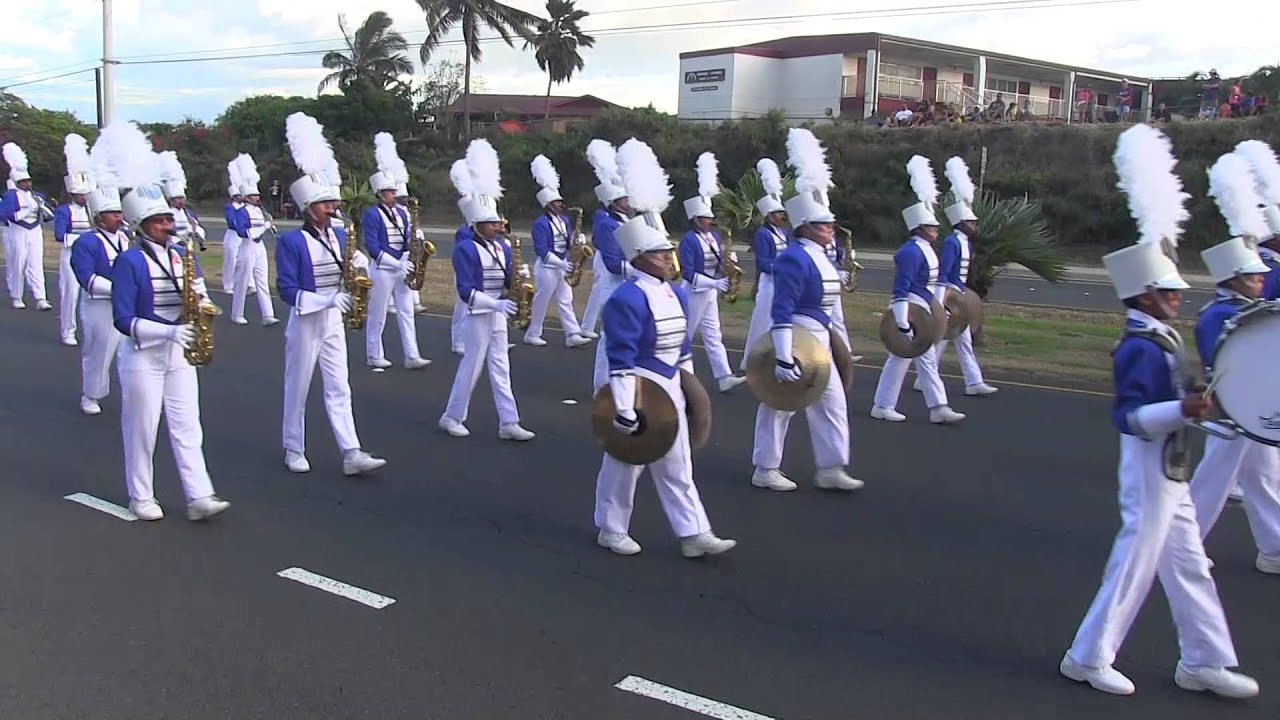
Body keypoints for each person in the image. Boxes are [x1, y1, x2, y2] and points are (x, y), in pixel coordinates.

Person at [1059, 239, 1256, 698]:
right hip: (1149, 469)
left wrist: (1196, 397)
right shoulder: (1138, 347)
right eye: (1168, 291)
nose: (1177, 296)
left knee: (1189, 565)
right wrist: (1184, 409)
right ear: (1144, 296)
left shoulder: (1162, 335)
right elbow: (1129, 418)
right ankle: (1087, 657)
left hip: (1172, 467)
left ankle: (1204, 660)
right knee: (1133, 565)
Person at [594, 216, 736, 558]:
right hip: (640, 387)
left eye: (668, 251)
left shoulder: (675, 292)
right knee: (626, 461)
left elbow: (683, 347)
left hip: (670, 383)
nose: (667, 257)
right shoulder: (626, 298)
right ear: (640, 256)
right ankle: (611, 528)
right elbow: (621, 357)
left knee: (678, 461)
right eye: (660, 252)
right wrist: (625, 408)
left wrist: (688, 389)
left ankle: (693, 532)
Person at [275, 111, 387, 477]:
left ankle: (351, 450)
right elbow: (287, 290)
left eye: (333, 204)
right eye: (326, 204)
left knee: (340, 385)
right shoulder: (292, 241)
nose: (333, 209)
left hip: (334, 319)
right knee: (300, 385)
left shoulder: (341, 235)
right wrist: (326, 300)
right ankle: (294, 446)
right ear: (308, 208)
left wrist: (360, 267)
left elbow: (352, 268)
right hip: (307, 320)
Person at [111, 180, 230, 522]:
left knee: (188, 424)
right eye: (160, 220)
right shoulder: (129, 262)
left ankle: (199, 495)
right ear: (142, 225)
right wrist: (169, 332)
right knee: (142, 427)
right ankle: (140, 495)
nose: (168, 225)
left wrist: (202, 303)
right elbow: (123, 319)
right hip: (142, 354)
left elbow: (198, 294)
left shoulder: (181, 256)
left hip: (178, 351)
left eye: (168, 218)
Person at [749, 191, 862, 493]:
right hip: (798, 337)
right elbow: (782, 309)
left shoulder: (820, 256)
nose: (831, 229)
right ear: (807, 227)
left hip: (820, 338)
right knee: (780, 403)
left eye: (830, 224)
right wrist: (784, 356)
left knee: (832, 402)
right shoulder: (793, 258)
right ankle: (766, 467)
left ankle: (831, 467)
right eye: (824, 225)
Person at [1188, 235, 1280, 573]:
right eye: (1253, 275)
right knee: (1212, 482)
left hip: (1251, 413)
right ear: (1232, 279)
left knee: (1265, 477)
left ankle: (1274, 548)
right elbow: (1228, 364)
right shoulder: (1218, 315)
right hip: (1232, 413)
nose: (1262, 279)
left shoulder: (1246, 310)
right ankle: (1181, 545)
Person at [439, 144, 535, 442]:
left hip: (497, 312)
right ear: (476, 224)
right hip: (479, 313)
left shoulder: (502, 246)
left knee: (501, 367)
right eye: (492, 223)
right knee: (472, 365)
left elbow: (507, 278)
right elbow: (465, 290)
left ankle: (509, 421)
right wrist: (495, 304)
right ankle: (452, 416)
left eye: (497, 222)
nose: (498, 226)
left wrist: (519, 277)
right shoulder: (465, 248)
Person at [871, 156, 965, 424]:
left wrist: (937, 310)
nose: (936, 230)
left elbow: (932, 284)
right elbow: (901, 288)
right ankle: (885, 404)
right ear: (919, 229)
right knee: (900, 360)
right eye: (930, 227)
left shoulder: (926, 249)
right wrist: (902, 321)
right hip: (910, 310)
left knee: (923, 361)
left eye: (935, 226)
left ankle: (937, 407)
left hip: (922, 309)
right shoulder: (910, 252)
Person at [920, 157, 998, 397]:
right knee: (944, 338)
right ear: (960, 223)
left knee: (959, 340)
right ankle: (929, 378)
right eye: (970, 221)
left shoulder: (965, 242)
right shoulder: (954, 242)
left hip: (957, 296)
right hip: (950, 296)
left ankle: (973, 382)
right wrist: (943, 300)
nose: (974, 224)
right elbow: (945, 273)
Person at [678, 168, 747, 393]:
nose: (710, 221)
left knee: (713, 334)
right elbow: (687, 272)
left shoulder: (715, 237)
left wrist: (729, 260)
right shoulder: (688, 240)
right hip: (694, 291)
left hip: (709, 292)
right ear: (695, 220)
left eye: (710, 218)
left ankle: (724, 376)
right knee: (685, 335)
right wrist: (715, 283)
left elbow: (718, 261)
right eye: (705, 218)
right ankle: (675, 375)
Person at [361, 146, 429, 372]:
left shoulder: (402, 212)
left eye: (394, 190)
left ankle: (412, 354)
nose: (395, 194)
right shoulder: (372, 214)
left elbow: (409, 236)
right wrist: (396, 262)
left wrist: (414, 248)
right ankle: (374, 354)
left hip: (403, 267)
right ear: (380, 194)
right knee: (378, 312)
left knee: (407, 311)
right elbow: (372, 246)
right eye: (390, 191)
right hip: (383, 269)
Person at [70, 183, 129, 416]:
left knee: (133, 350)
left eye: (120, 213)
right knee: (99, 350)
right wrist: (120, 289)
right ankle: (91, 394)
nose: (119, 217)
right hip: (98, 304)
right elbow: (86, 277)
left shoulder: (126, 238)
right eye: (114, 214)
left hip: (125, 303)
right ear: (99, 218)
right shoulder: (86, 242)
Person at [524, 154, 591, 348]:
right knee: (542, 300)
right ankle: (533, 332)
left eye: (560, 201)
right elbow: (542, 250)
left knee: (565, 299)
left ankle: (572, 334)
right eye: (556, 202)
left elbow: (567, 240)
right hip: (547, 266)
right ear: (548, 205)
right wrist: (561, 263)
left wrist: (577, 240)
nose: (561, 204)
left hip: (562, 264)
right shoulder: (540, 223)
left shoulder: (564, 220)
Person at [740, 158, 790, 371]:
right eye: (778, 213)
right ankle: (748, 359)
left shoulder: (785, 232)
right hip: (768, 283)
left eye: (781, 213)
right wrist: (780, 269)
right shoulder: (762, 234)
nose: (781, 216)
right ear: (769, 216)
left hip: (782, 281)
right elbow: (762, 263)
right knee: (761, 324)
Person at [581, 139, 630, 339]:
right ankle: (587, 326)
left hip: (620, 260)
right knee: (602, 292)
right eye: (624, 199)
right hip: (608, 260)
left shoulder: (624, 217)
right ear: (614, 203)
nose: (628, 202)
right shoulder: (605, 220)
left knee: (600, 293)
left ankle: (587, 326)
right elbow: (604, 244)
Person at [1, 142, 54, 311]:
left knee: (36, 264)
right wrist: (28, 210)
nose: (27, 184)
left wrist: (43, 207)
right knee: (18, 263)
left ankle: (41, 298)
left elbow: (49, 216)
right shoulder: (11, 196)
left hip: (35, 231)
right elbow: (7, 215)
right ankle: (17, 295)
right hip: (18, 231)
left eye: (28, 181)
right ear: (17, 182)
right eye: (23, 181)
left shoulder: (37, 195)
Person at [54, 136, 94, 346]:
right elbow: (60, 236)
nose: (84, 198)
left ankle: (89, 331)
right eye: (80, 195)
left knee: (92, 295)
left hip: (90, 256)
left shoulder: (92, 210)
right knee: (70, 293)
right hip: (71, 254)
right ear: (72, 195)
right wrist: (84, 238)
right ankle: (68, 331)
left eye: (85, 194)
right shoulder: (64, 210)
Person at [229, 154, 277, 326]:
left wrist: (269, 226)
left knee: (262, 281)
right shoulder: (242, 211)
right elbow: (244, 232)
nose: (258, 198)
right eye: (254, 195)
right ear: (247, 196)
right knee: (242, 281)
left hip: (259, 247)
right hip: (247, 247)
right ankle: (236, 313)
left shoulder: (259, 210)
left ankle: (268, 315)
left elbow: (262, 227)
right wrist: (264, 226)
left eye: (258, 195)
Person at [222, 161, 244, 295]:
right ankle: (228, 284)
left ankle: (241, 283)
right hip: (233, 235)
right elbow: (232, 221)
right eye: (239, 195)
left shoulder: (245, 207)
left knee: (243, 260)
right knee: (230, 260)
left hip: (243, 236)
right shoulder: (230, 207)